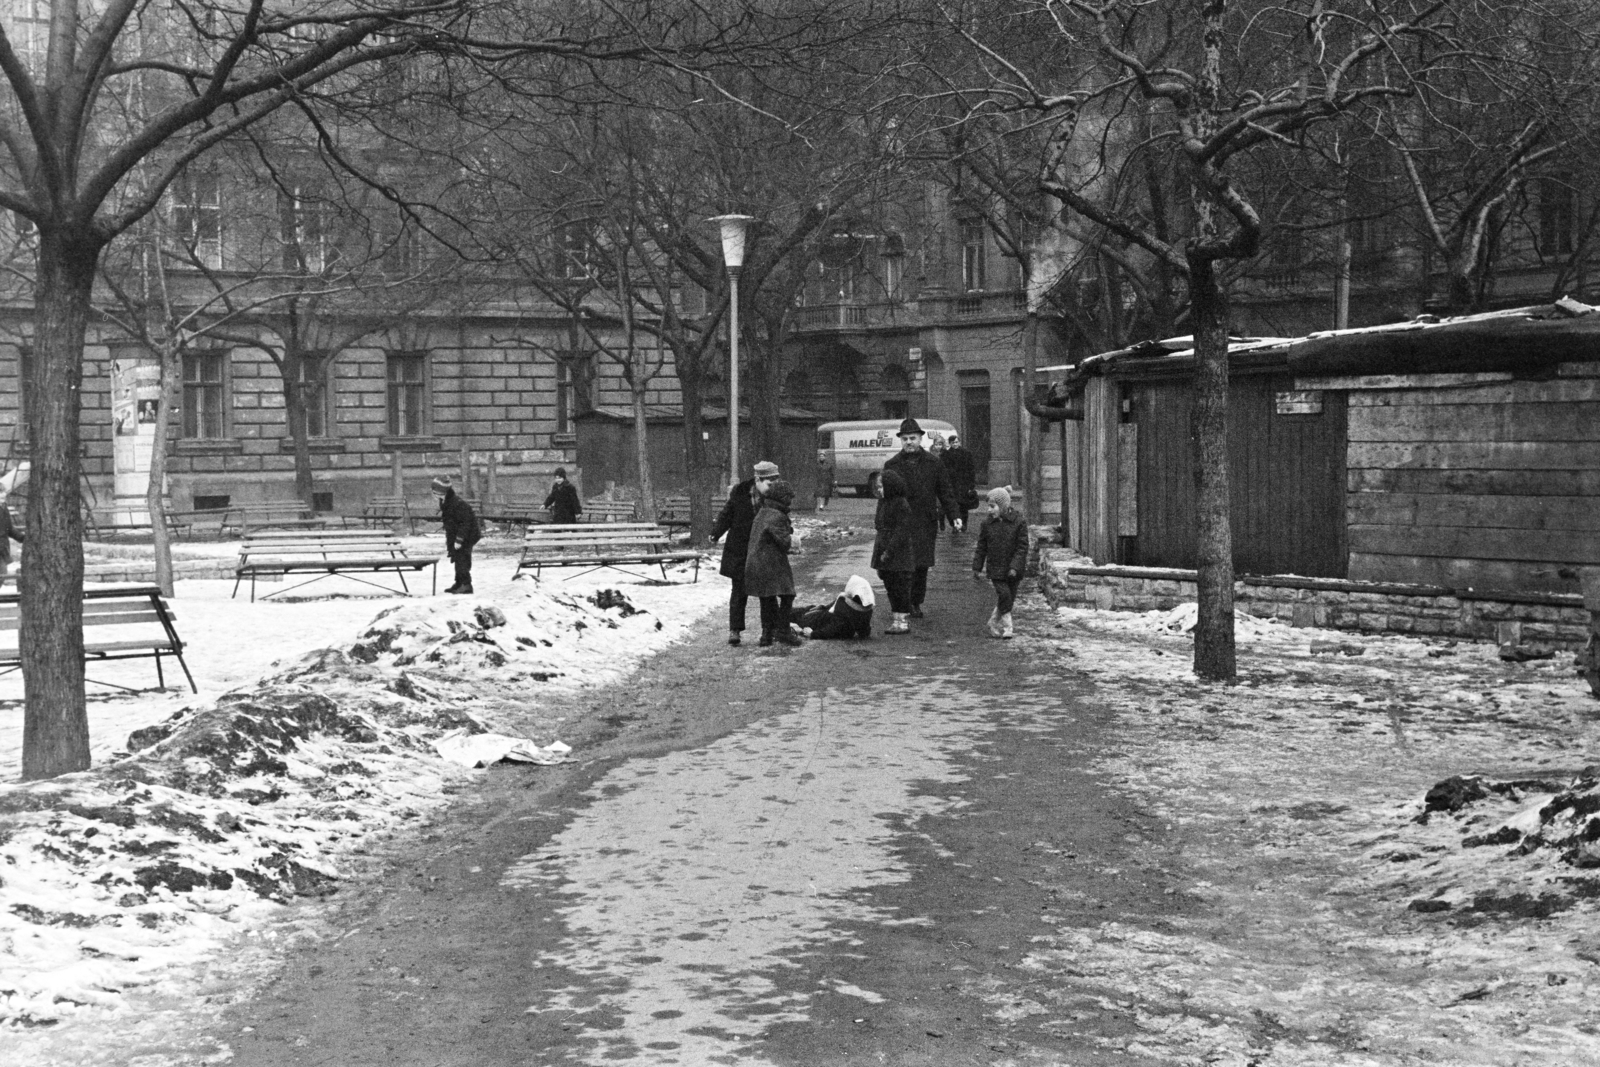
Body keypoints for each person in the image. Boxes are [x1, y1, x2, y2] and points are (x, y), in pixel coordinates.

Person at [881, 417, 961, 619]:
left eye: (913, 438)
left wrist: (954, 516)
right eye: (905, 438)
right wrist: (883, 522)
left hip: (925, 521)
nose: (909, 442)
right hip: (901, 523)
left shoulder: (934, 463)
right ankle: (903, 603)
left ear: (920, 439)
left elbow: (945, 491)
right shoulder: (892, 465)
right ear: (901, 440)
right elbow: (885, 498)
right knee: (902, 565)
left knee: (921, 565)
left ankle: (915, 602)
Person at [712, 460, 773, 647]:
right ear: (758, 479)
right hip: (740, 549)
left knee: (767, 593)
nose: (772, 487)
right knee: (738, 592)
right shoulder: (739, 494)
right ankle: (735, 630)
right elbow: (727, 515)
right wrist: (715, 533)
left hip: (763, 550)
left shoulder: (774, 497)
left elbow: (783, 519)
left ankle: (767, 632)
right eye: (769, 483)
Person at [745, 475, 802, 648]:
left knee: (767, 598)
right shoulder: (777, 515)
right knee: (787, 594)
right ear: (783, 498)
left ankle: (766, 635)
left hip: (756, 561)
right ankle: (783, 632)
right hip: (770, 562)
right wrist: (794, 539)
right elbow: (784, 542)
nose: (790, 503)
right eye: (789, 499)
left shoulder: (764, 511)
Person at [971, 486, 1030, 639]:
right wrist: (977, 567)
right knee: (1004, 595)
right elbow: (981, 547)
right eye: (988, 506)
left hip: (1013, 570)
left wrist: (1015, 567)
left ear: (1003, 506)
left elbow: (1022, 547)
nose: (989, 510)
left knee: (1008, 598)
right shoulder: (987, 525)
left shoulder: (1019, 523)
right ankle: (1008, 627)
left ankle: (992, 622)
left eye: (992, 506)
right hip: (996, 568)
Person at [872, 468, 915, 634]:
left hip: (898, 553)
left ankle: (902, 620)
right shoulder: (882, 502)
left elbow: (902, 530)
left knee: (901, 586)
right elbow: (878, 523)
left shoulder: (900, 503)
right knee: (890, 585)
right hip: (884, 549)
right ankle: (896, 619)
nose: (879, 490)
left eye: (881, 486)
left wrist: (889, 550)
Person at [432, 475, 481, 594]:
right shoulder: (446, 500)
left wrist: (459, 540)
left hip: (467, 535)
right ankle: (459, 582)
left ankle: (466, 585)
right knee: (457, 556)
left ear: (440, 491)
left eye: (434, 491)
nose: (432, 494)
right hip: (458, 533)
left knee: (462, 558)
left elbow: (465, 523)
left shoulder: (456, 503)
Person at [790, 575, 874, 640]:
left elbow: (831, 629)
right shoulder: (866, 609)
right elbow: (865, 632)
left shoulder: (844, 609)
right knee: (804, 610)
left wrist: (813, 634)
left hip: (816, 620)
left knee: (797, 613)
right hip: (822, 615)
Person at [942, 431, 979, 535]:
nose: (955, 444)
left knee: (963, 506)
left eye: (957, 442)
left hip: (964, 484)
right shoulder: (946, 455)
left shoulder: (966, 453)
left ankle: (964, 524)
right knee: (954, 506)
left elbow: (971, 470)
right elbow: (944, 471)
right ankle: (955, 525)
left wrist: (971, 485)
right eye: (953, 443)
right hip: (952, 485)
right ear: (950, 443)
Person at [0, 489, 21, 588]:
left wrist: (21, 538)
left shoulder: (4, 508)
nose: (3, 500)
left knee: (2, 573)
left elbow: (9, 528)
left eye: (3, 497)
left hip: (2, 548)